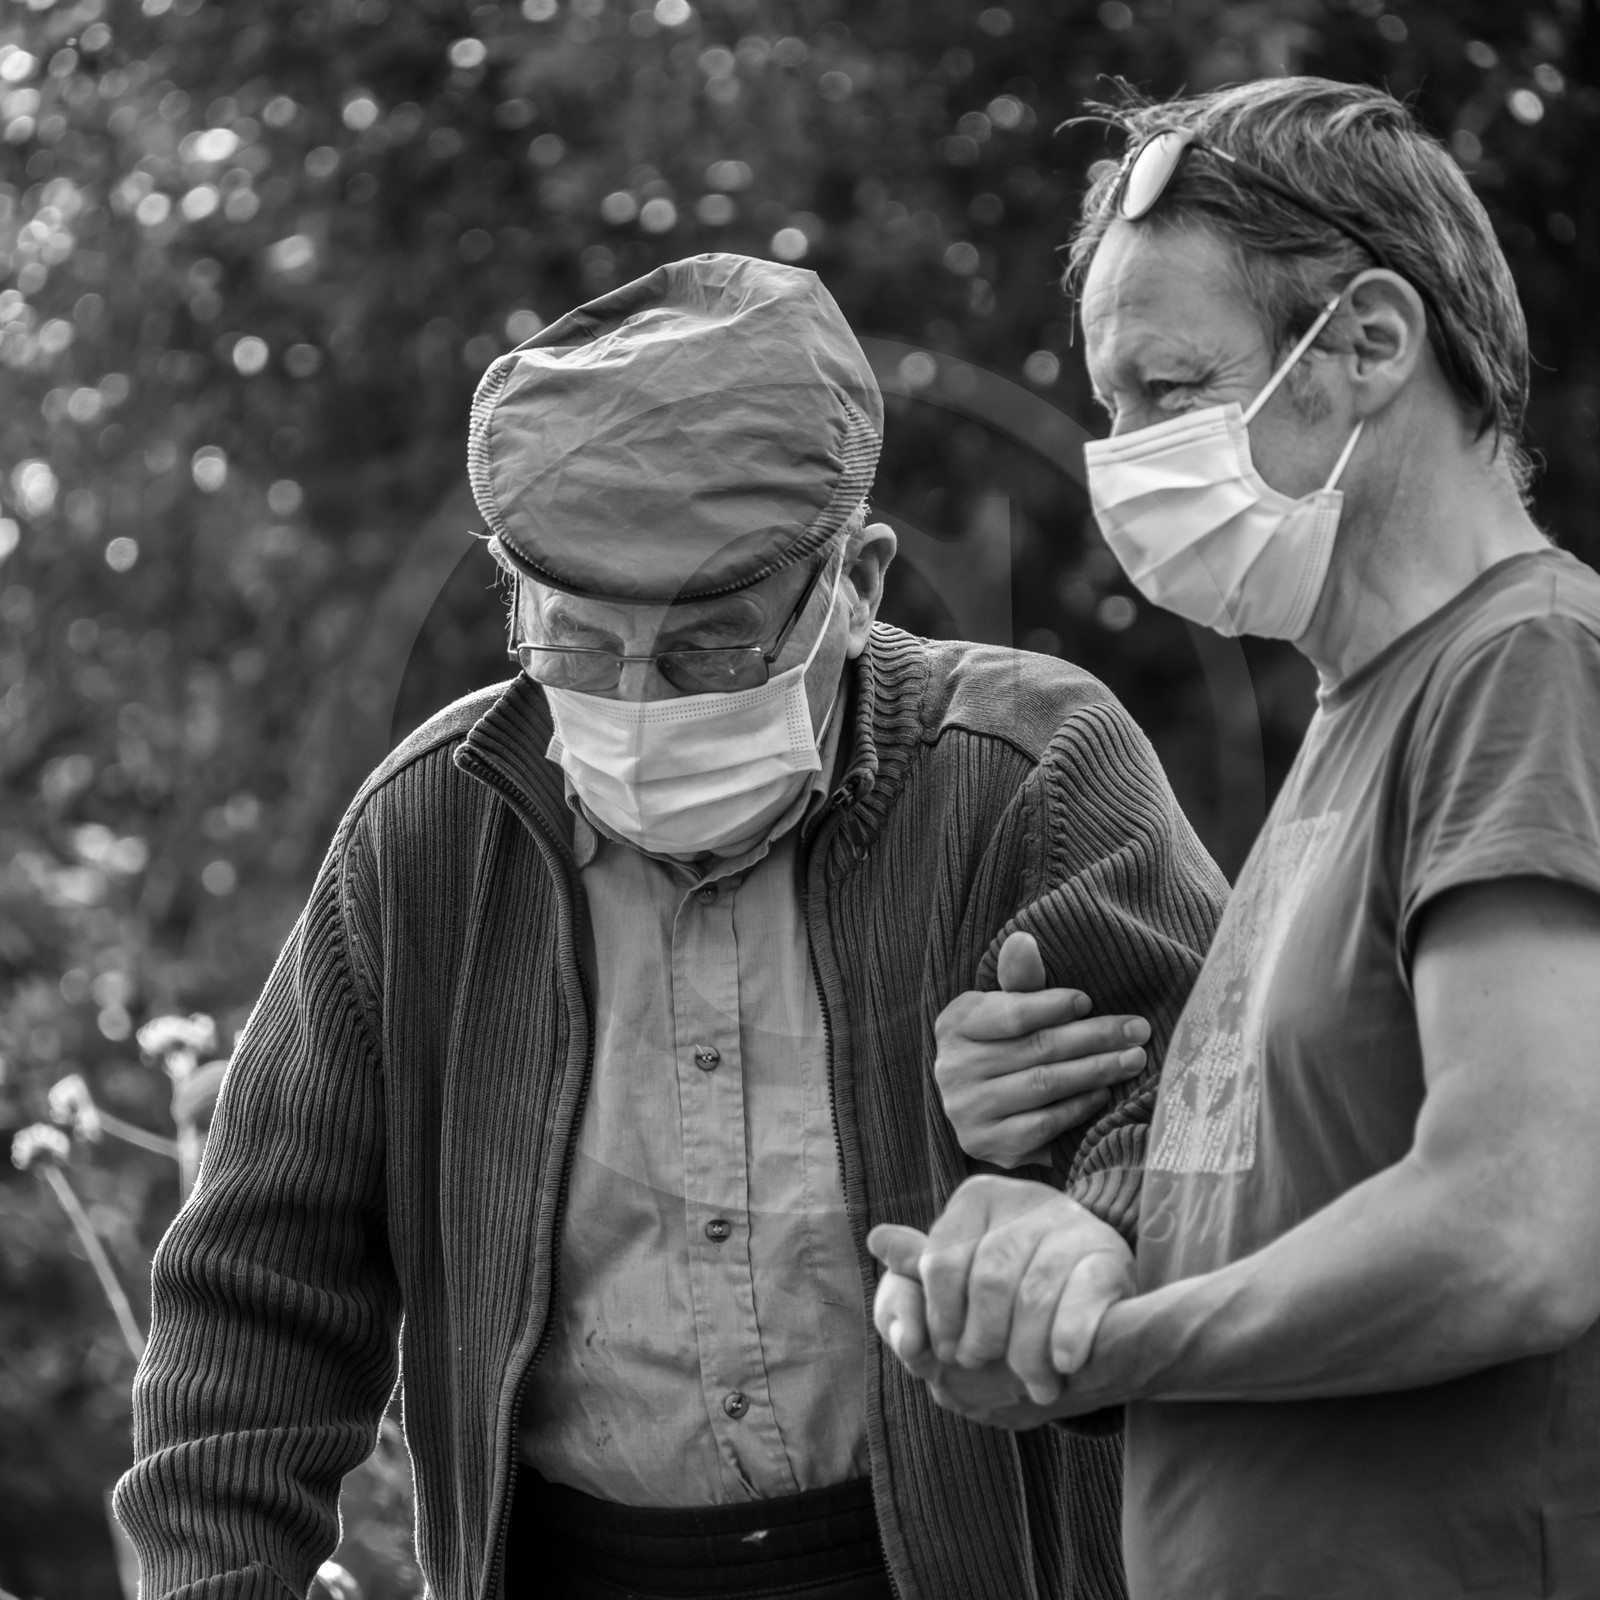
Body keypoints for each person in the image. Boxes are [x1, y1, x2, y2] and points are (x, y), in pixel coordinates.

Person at [114, 253, 1228, 1600]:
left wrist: (1074, 1206)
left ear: (858, 581)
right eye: (581, 646)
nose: (639, 707)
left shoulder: (1026, 774)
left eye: (710, 650)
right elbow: (256, 1297)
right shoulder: (425, 836)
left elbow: (1214, 1139)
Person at [871, 77, 1600, 1600]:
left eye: (1170, 387)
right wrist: (1063, 1207)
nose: (1123, 454)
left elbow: (1518, 1224)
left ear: (1370, 342)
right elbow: (1288, 1214)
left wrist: (1107, 1350)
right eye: (1108, 404)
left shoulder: (1523, 667)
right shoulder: (1359, 713)